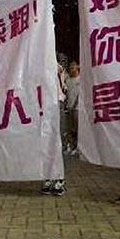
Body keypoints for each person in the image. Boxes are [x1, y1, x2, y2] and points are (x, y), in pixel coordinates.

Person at [41, 62, 67, 196]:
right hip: (42, 104)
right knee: (44, 141)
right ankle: (47, 177)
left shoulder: (56, 63)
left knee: (57, 141)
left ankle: (58, 178)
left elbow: (60, 72)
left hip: (57, 102)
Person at [65, 61, 80, 155]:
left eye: (73, 68)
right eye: (70, 68)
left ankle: (78, 147)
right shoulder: (68, 80)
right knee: (71, 129)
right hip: (69, 107)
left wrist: (74, 105)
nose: (72, 70)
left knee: (77, 128)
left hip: (77, 107)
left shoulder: (80, 79)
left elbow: (79, 95)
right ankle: (71, 145)